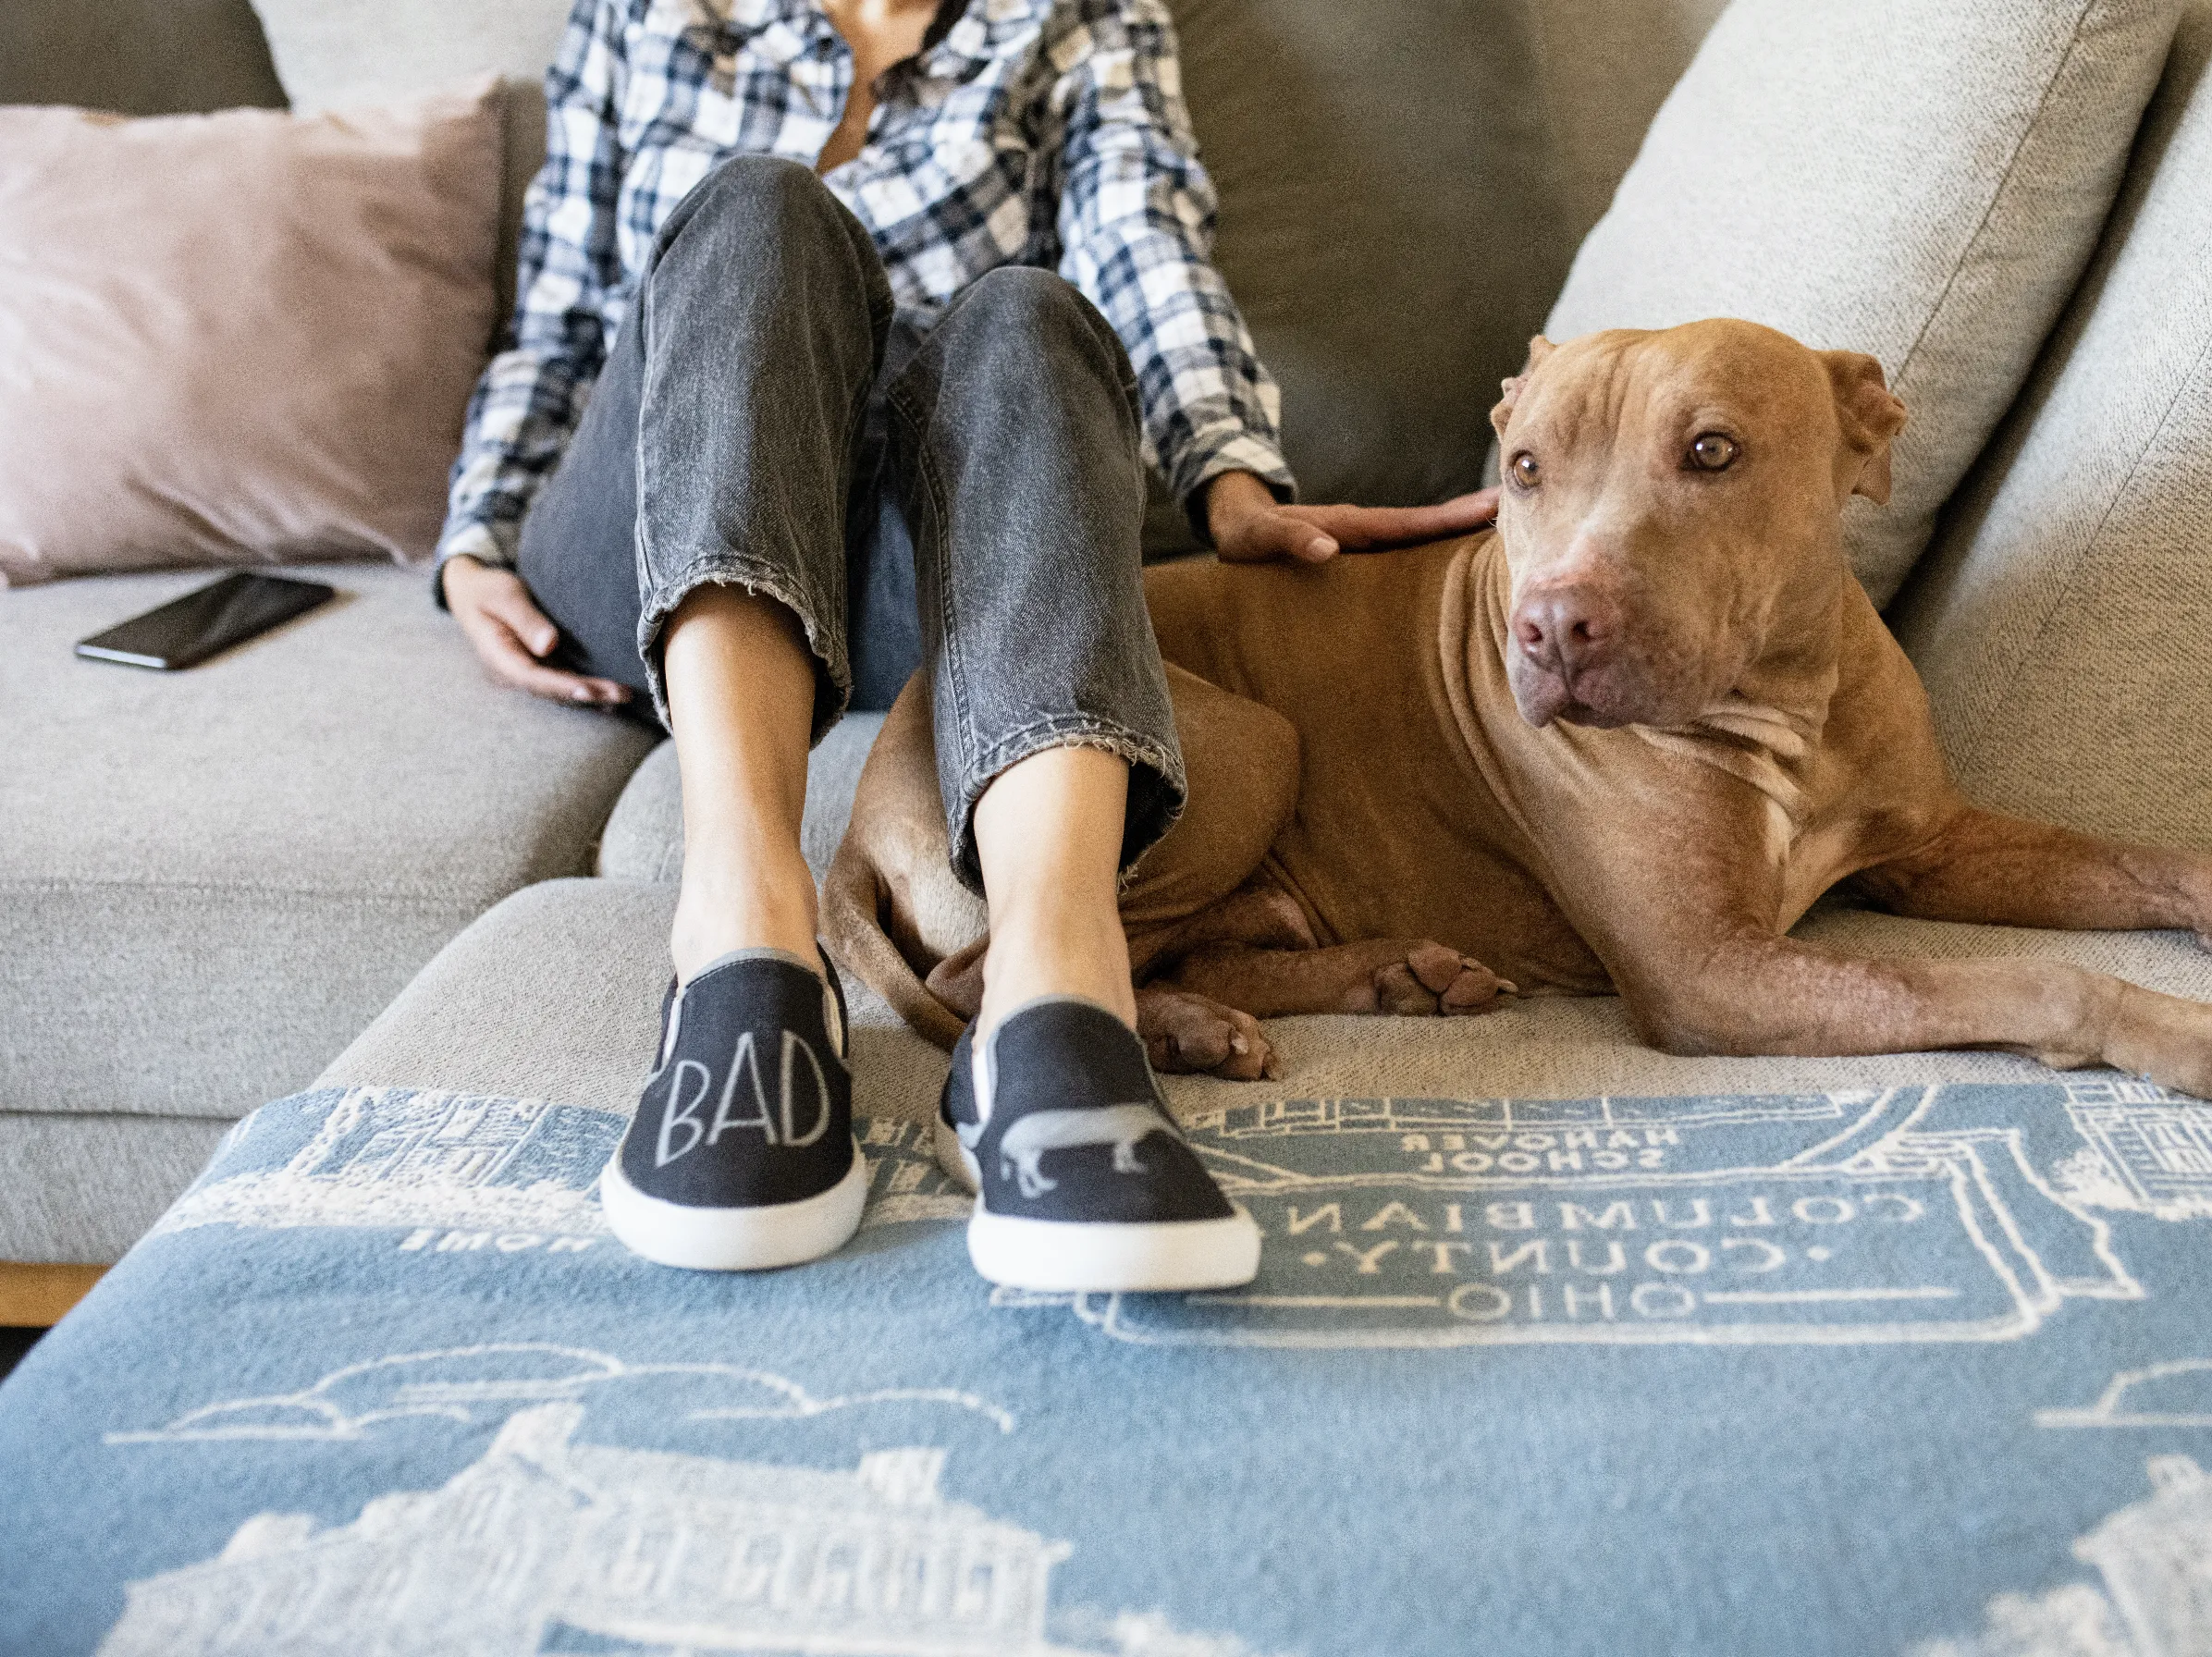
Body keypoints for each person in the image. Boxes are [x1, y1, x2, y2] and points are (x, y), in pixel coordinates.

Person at [435, 0, 1493, 1289]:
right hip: (657, 523)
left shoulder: (1079, 18)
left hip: (910, 574)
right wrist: (474, 542)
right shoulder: (647, 12)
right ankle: (744, 953)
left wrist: (1232, 477)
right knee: (763, 207)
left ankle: (1051, 1001)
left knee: (1036, 315)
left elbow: (1143, 244)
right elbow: (554, 319)